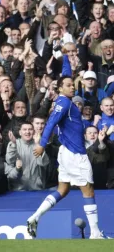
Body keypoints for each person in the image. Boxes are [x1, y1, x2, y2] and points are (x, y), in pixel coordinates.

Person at [27, 76, 106, 239]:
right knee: (89, 191)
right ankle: (95, 233)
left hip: (66, 151)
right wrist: (42, 144)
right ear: (60, 89)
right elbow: (50, 122)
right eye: (68, 85)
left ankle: (35, 217)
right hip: (75, 153)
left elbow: (66, 72)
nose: (72, 88)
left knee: (63, 190)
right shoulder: (63, 103)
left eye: (72, 85)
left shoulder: (65, 102)